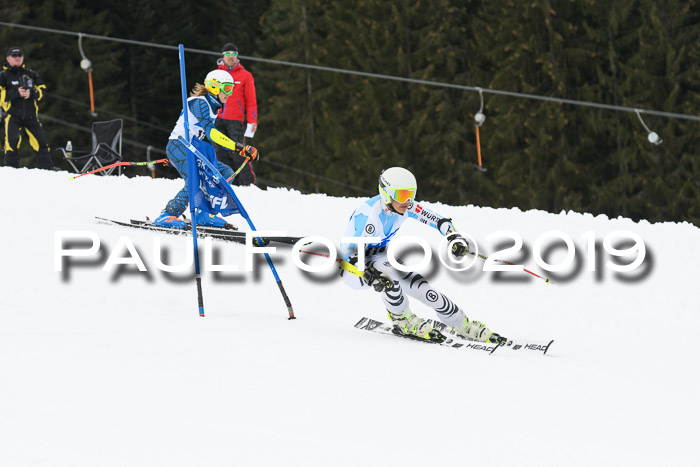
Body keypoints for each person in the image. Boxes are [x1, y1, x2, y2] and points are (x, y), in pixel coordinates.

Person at [339, 167, 506, 344]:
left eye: (411, 194)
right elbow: (350, 256)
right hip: (353, 268)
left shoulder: (404, 206)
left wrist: (454, 238)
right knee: (388, 279)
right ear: (387, 194)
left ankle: (460, 323)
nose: (408, 201)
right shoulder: (369, 217)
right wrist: (369, 274)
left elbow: (439, 221)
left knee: (422, 287)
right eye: (403, 195)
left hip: (381, 256)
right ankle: (402, 320)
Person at [153, 69, 258, 228]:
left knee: (225, 173)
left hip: (195, 149)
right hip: (179, 146)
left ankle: (203, 214)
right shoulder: (200, 103)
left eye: (231, 89)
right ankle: (167, 214)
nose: (229, 93)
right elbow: (211, 133)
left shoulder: (214, 106)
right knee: (194, 179)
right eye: (227, 88)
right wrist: (239, 148)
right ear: (215, 87)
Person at [0, 46, 55, 169]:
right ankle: (11, 170)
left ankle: (48, 170)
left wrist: (32, 93)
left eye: (20, 55)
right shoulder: (3, 75)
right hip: (12, 115)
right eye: (14, 56)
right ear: (8, 59)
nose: (17, 58)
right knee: (12, 142)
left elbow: (43, 90)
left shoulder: (31, 74)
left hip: (31, 115)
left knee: (41, 142)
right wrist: (15, 93)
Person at [214, 42, 258, 186]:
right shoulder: (217, 74)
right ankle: (230, 184)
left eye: (234, 54)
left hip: (235, 120)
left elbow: (251, 101)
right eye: (228, 54)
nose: (231, 57)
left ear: (237, 56)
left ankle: (249, 185)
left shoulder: (245, 75)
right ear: (223, 56)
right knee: (220, 153)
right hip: (218, 119)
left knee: (238, 153)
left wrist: (252, 121)